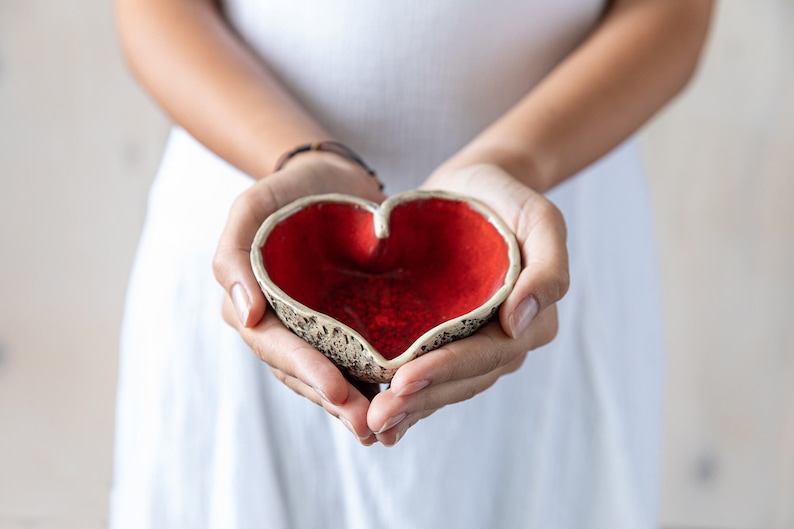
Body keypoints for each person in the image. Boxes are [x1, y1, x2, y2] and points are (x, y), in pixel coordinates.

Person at [109, 0, 713, 527]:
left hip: (533, 229)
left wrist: (513, 159)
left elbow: (674, 11)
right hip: (261, 217)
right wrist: (293, 156)